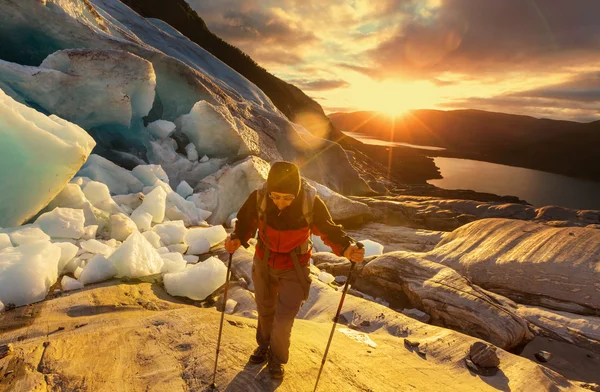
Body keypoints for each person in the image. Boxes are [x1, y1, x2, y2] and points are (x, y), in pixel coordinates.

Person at [224, 161, 365, 380]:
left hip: (295, 266)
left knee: (284, 319)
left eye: (287, 198)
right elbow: (245, 223)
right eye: (276, 196)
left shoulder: (310, 203)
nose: (281, 203)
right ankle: (264, 346)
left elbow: (328, 229)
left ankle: (277, 358)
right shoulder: (259, 198)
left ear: (297, 192)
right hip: (264, 261)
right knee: (265, 308)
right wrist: (236, 239)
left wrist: (347, 249)